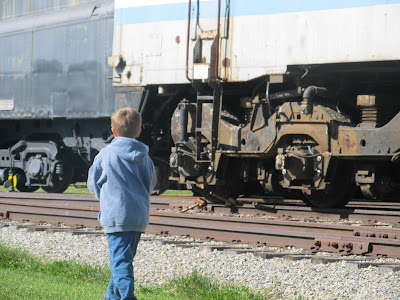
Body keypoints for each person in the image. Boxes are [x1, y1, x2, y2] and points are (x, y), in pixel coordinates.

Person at [87, 107, 156, 300]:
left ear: (113, 130)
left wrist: (107, 199)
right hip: (139, 216)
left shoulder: (105, 155)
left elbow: (93, 183)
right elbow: (151, 184)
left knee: (121, 264)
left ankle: (127, 297)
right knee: (123, 261)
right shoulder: (145, 157)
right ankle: (111, 297)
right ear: (139, 131)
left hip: (116, 216)